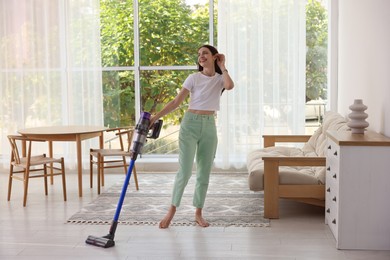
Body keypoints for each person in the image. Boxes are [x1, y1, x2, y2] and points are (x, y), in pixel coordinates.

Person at [149, 44, 234, 229]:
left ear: (214, 57)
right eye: (199, 54)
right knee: (185, 171)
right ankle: (171, 210)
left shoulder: (220, 79)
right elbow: (176, 102)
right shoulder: (193, 78)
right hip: (190, 124)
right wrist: (155, 117)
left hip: (209, 126)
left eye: (205, 53)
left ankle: (198, 213)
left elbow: (229, 85)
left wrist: (223, 65)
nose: (201, 56)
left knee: (204, 173)